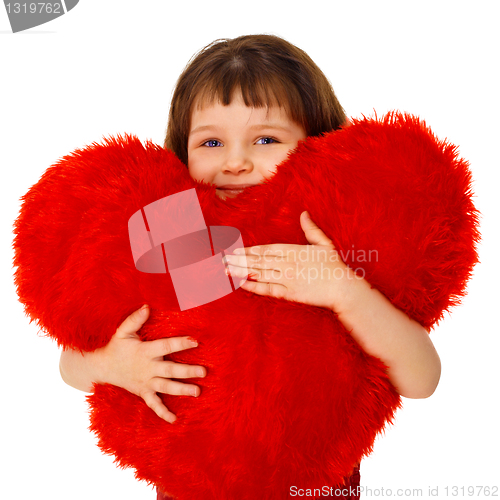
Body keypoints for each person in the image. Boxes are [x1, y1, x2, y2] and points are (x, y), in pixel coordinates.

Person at [59, 34, 441, 499]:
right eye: (212, 141)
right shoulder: (178, 236)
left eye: (265, 139)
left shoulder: (329, 247)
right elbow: (71, 363)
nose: (236, 162)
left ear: (320, 145)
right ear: (182, 153)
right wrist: (117, 364)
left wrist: (345, 291)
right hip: (192, 479)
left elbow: (421, 379)